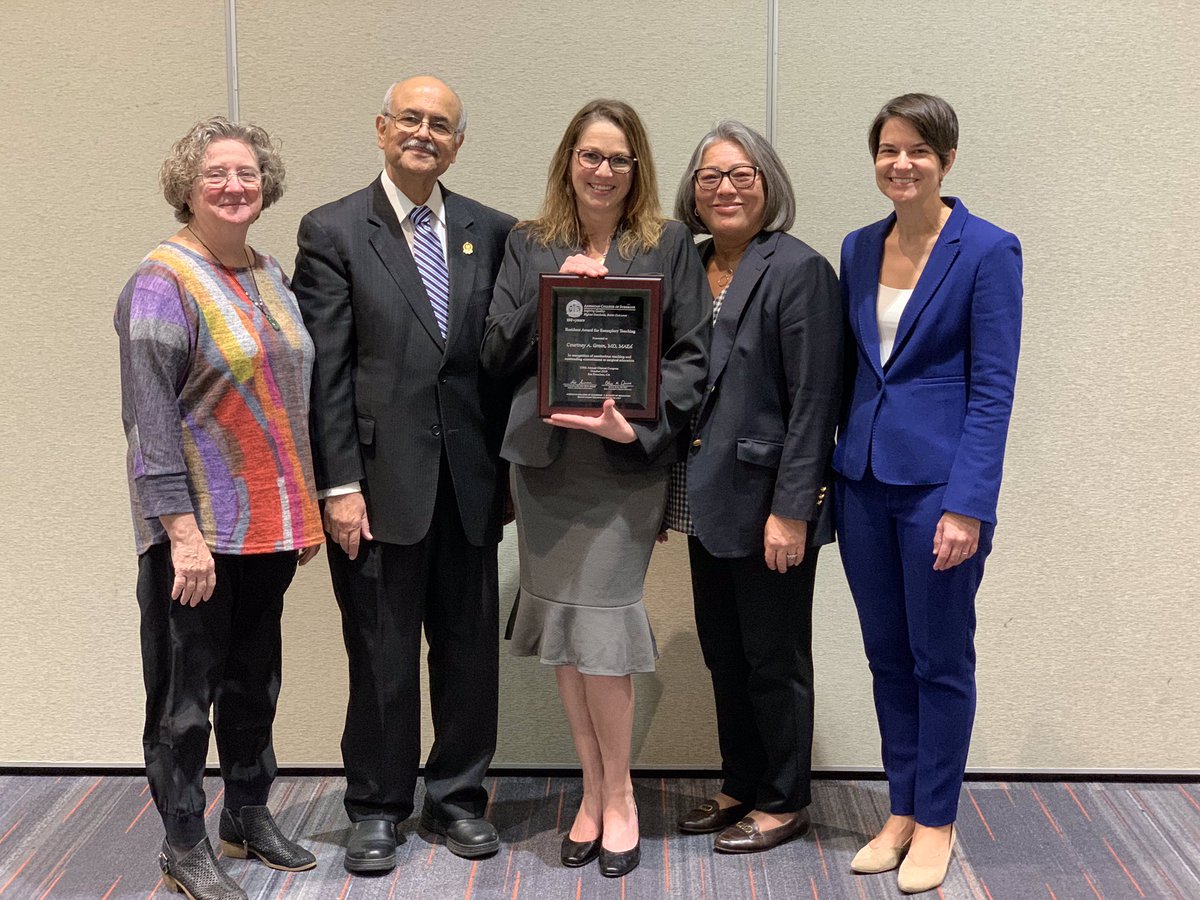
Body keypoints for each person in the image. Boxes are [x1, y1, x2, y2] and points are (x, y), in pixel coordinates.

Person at [291, 76, 516, 874]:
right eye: (411, 119)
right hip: (377, 485)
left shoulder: (494, 231)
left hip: (471, 482)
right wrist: (338, 485)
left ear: (459, 143)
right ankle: (378, 806)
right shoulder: (333, 230)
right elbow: (326, 371)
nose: (425, 133)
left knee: (468, 653)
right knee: (381, 655)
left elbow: (504, 360)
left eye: (441, 124)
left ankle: (457, 799)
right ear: (382, 128)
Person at [481, 99, 709, 878]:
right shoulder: (528, 242)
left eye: (618, 158)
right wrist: (555, 290)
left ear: (636, 167)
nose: (603, 170)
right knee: (567, 637)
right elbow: (495, 349)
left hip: (620, 470)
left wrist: (636, 429)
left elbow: (691, 356)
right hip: (546, 471)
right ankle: (591, 790)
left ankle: (622, 797)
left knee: (604, 634)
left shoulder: (668, 244)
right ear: (568, 161)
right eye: (590, 155)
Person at [115, 117, 323, 900]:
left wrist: (301, 505)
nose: (235, 186)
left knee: (253, 684)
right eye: (217, 175)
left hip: (269, 524)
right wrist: (181, 534)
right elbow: (150, 420)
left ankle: (247, 812)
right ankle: (182, 842)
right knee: (183, 701)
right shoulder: (161, 281)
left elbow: (287, 398)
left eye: (247, 173)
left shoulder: (270, 273)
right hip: (195, 533)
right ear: (188, 188)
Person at [834, 93, 1022, 894]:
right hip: (862, 483)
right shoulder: (857, 247)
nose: (900, 163)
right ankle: (903, 809)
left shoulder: (988, 250)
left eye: (917, 149)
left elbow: (993, 389)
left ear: (946, 158)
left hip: (939, 493)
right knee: (886, 656)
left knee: (939, 658)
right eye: (887, 149)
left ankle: (938, 821)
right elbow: (852, 371)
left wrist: (968, 504)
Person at [666, 121, 842, 853]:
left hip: (768, 503)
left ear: (768, 186)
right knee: (724, 652)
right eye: (711, 176)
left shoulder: (800, 270)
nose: (726, 189)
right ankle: (740, 781)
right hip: (700, 496)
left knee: (775, 658)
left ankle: (784, 799)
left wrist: (792, 510)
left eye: (742, 175)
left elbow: (815, 402)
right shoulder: (687, 262)